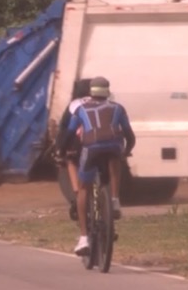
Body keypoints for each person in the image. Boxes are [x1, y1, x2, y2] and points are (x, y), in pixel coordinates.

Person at [56, 76, 135, 256]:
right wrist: (126, 151)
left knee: (83, 188)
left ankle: (84, 237)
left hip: (89, 149)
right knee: (116, 160)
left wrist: (61, 151)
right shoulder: (117, 107)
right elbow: (129, 136)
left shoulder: (79, 108)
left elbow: (68, 132)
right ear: (108, 92)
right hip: (113, 148)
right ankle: (114, 200)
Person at [56, 78, 92, 221]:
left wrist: (60, 150)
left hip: (79, 144)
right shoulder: (103, 102)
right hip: (102, 142)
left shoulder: (74, 105)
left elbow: (65, 129)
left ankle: (77, 193)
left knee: (71, 160)